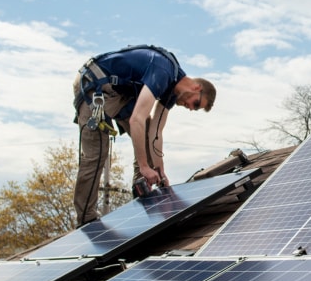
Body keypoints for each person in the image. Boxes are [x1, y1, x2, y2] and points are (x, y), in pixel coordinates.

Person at [71, 45, 216, 225]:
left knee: (146, 129)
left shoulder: (172, 90)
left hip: (119, 92)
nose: (190, 108)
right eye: (195, 104)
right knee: (97, 153)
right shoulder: (163, 71)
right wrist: (144, 166)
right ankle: (86, 221)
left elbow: (155, 131)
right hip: (96, 84)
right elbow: (136, 120)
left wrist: (159, 170)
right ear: (196, 87)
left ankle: (141, 191)